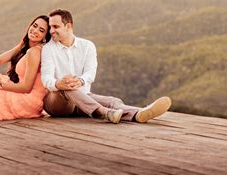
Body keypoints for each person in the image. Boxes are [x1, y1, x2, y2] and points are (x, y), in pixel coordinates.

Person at [41, 9, 171, 124]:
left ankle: (138, 114)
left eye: (55, 27)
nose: (51, 31)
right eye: (50, 27)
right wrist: (58, 83)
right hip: (57, 102)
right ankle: (104, 113)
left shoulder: (87, 46)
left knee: (112, 101)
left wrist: (80, 81)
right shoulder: (48, 49)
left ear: (68, 26)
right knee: (66, 87)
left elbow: (90, 73)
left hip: (84, 99)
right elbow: (46, 78)